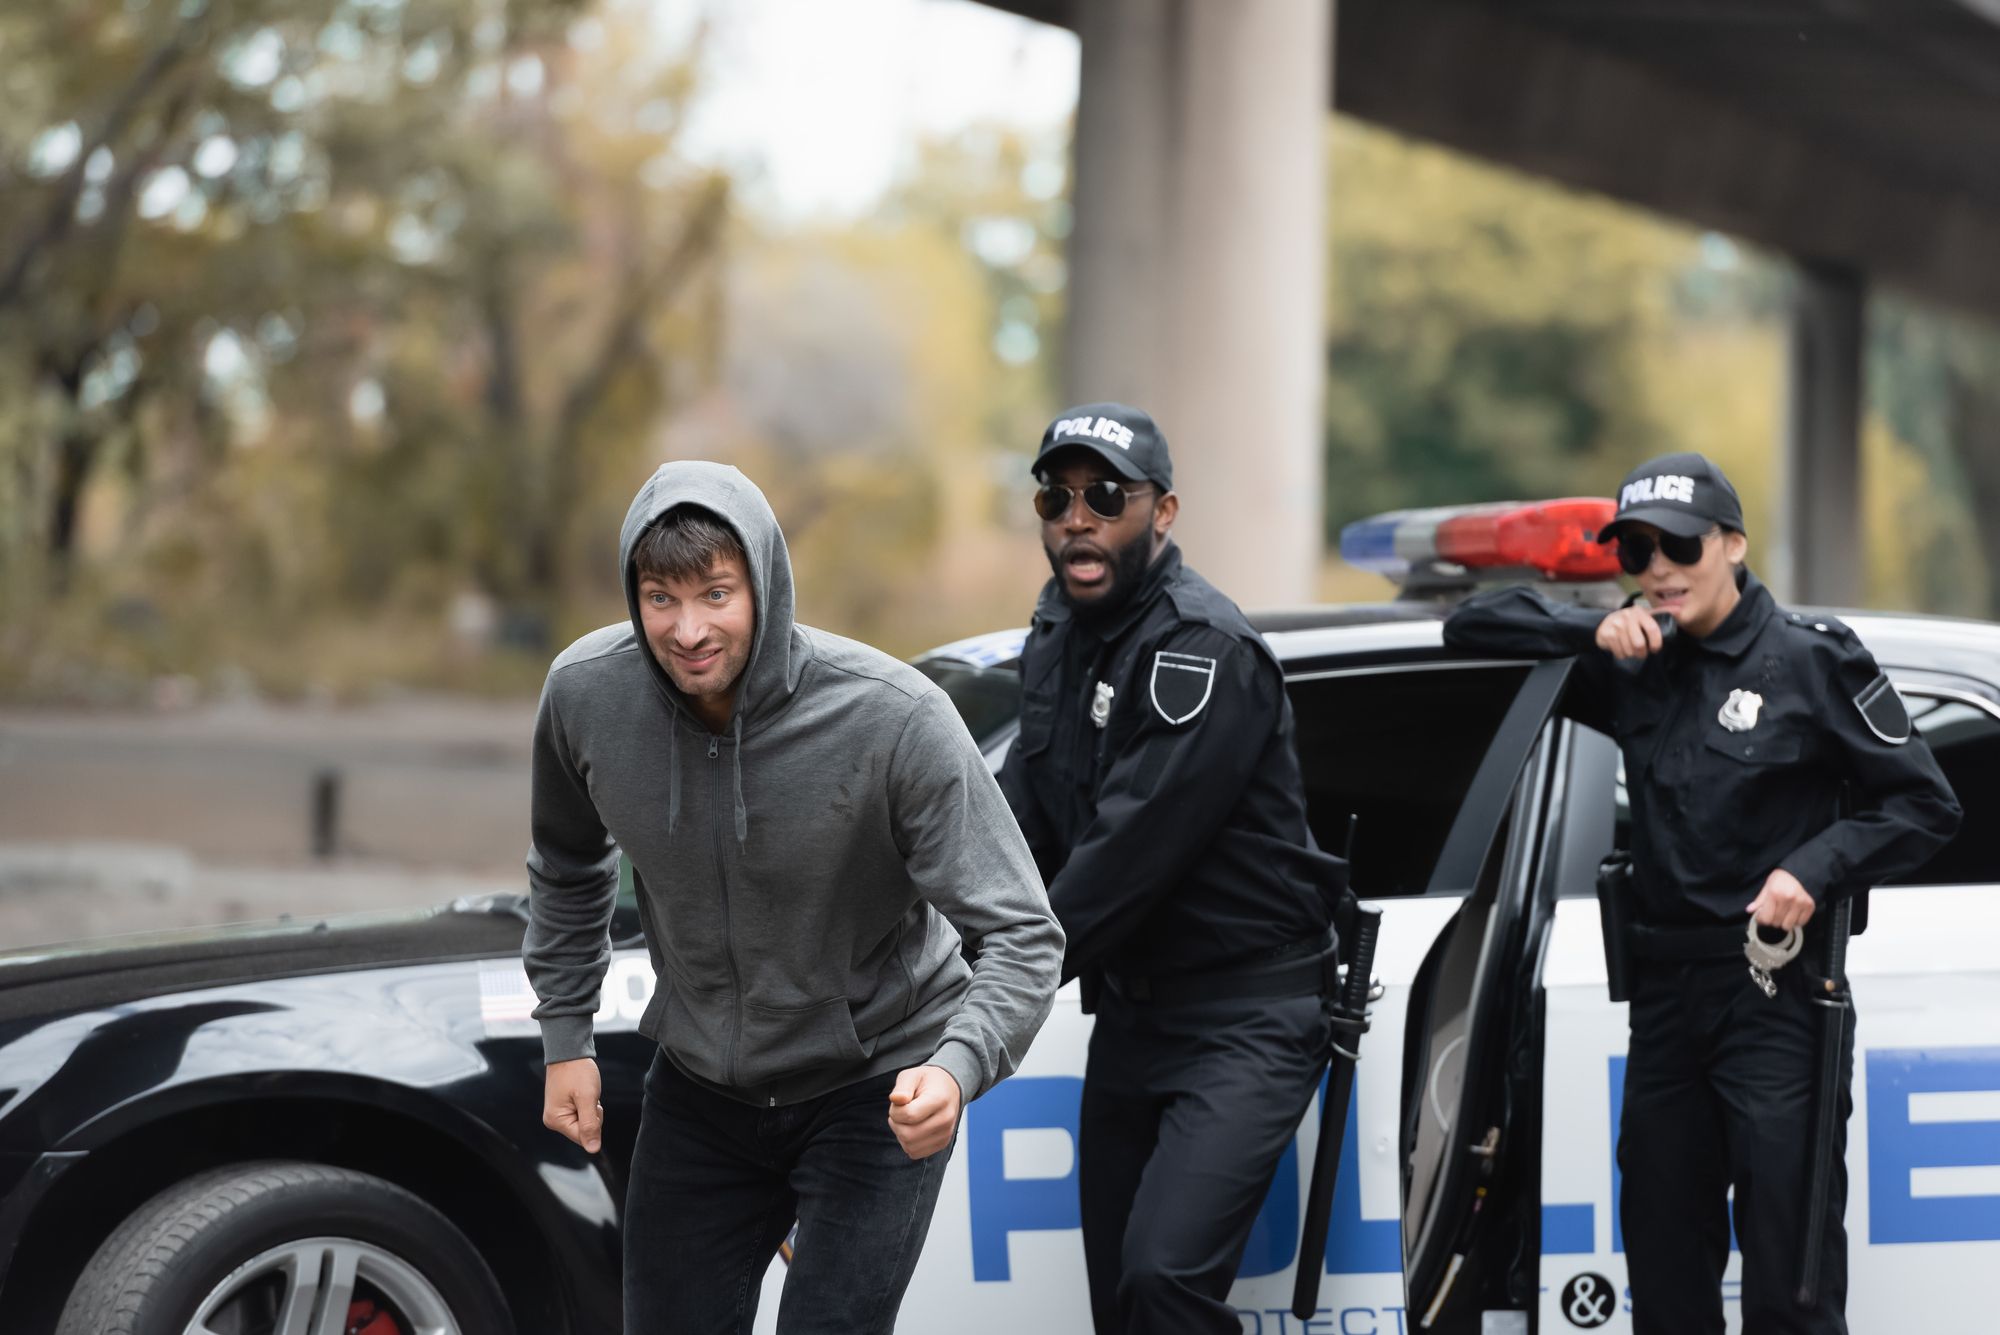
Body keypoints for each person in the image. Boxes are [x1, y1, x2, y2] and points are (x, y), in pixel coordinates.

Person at [523, 460, 1065, 1335]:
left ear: (764, 583)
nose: (688, 628)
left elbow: (1023, 932)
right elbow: (565, 862)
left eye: (716, 593)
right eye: (660, 597)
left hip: (875, 1082)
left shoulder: (893, 720)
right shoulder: (587, 696)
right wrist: (565, 1035)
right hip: (702, 1087)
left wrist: (956, 1068)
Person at [1444, 452, 1961, 1335]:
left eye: (1678, 545)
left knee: (1787, 1293)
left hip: (1777, 1001)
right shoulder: (1635, 657)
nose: (1658, 569)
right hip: (1666, 1014)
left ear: (1733, 543)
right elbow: (1468, 629)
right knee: (1666, 1282)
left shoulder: (1810, 659)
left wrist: (1814, 867)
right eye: (1636, 551)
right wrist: (1591, 631)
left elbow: (1926, 803)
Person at [995, 403, 1348, 1335]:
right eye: (1056, 495)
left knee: (1161, 1284)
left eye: (1106, 495)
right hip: (1135, 1015)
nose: (1077, 516)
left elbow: (1121, 857)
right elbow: (1015, 823)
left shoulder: (1200, 652)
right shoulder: (1057, 639)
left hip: (1246, 1019)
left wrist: (982, 987)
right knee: (1120, 1304)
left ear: (1163, 511)